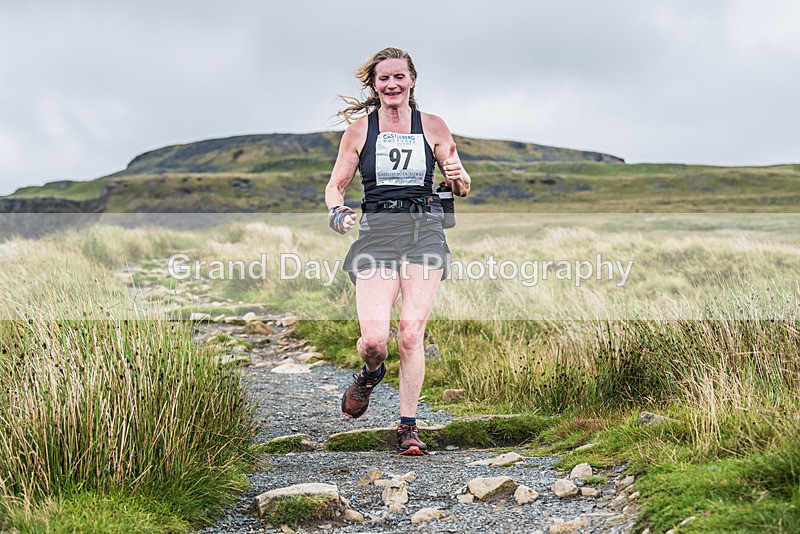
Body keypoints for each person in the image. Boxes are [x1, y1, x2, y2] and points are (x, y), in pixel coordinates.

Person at [324, 47, 470, 456]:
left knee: (410, 335)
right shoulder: (358, 131)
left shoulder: (433, 126)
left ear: (412, 81)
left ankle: (408, 428)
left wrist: (459, 177)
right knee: (374, 340)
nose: (392, 84)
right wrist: (337, 210)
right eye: (383, 78)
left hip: (424, 233)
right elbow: (336, 185)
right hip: (377, 236)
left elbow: (459, 183)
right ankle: (370, 374)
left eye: (399, 77)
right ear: (374, 84)